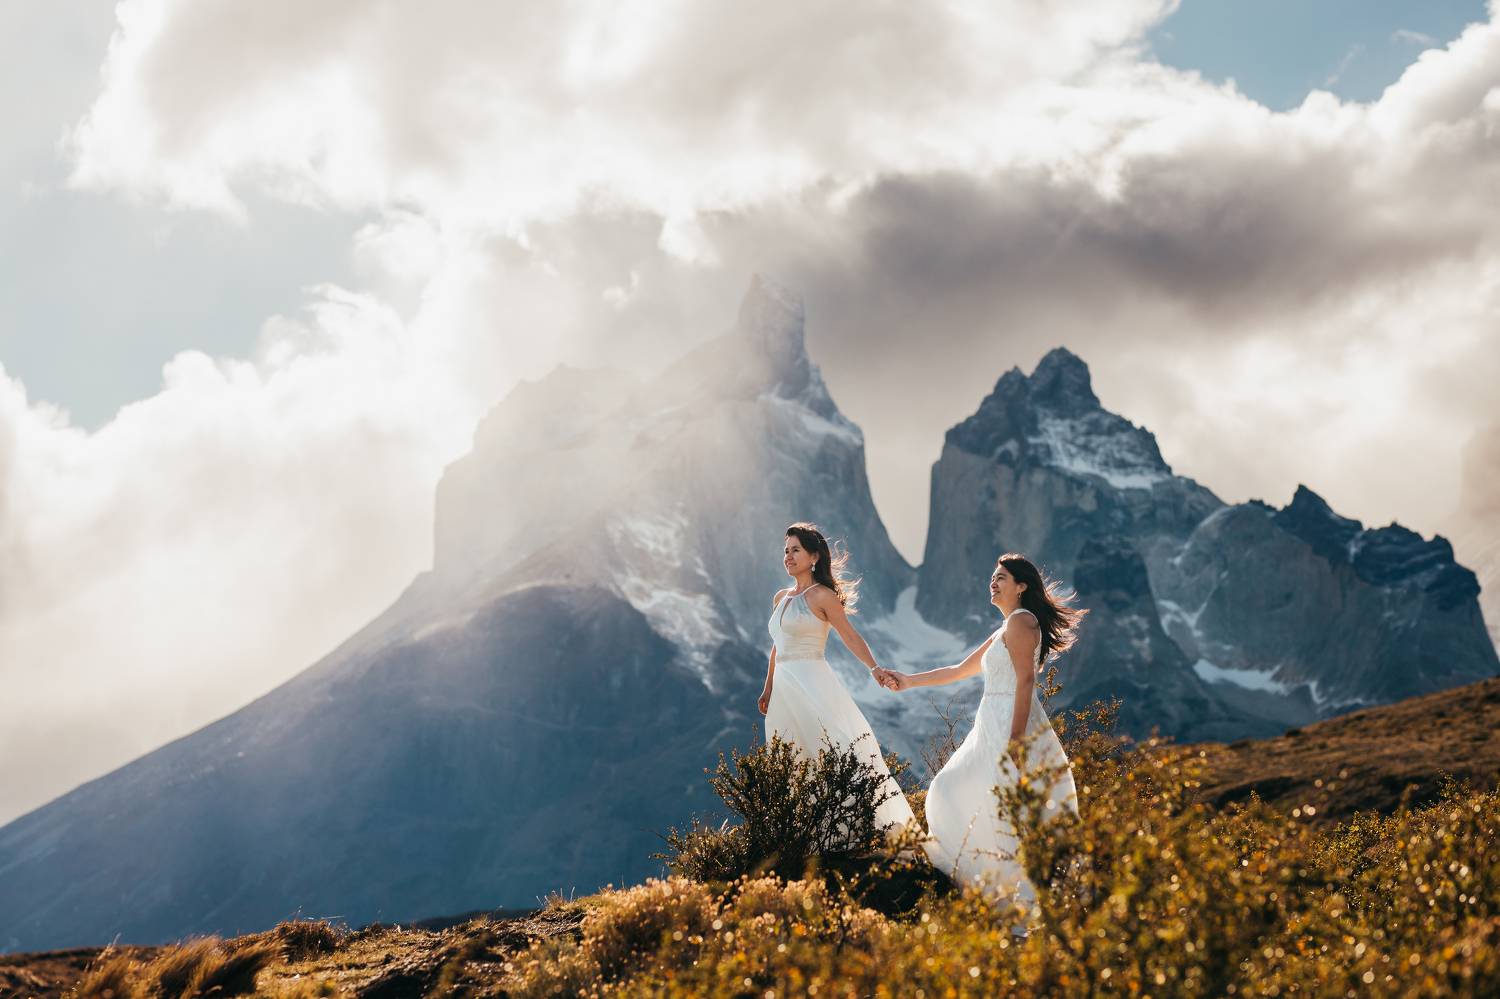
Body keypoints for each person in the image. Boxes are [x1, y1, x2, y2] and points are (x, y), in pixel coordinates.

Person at [884, 553, 1085, 901]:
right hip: (991, 723)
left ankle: (1017, 894)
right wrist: (908, 681)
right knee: (955, 791)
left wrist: (1016, 741)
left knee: (996, 803)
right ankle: (989, 883)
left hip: (1010, 723)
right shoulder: (1006, 628)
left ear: (1021, 587)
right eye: (993, 576)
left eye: (1001, 577)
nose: (993, 582)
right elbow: (958, 670)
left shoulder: (1021, 622)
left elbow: (1025, 681)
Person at [759, 522, 916, 834]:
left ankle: (856, 829)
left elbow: (850, 635)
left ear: (814, 557)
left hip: (812, 682)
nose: (788, 556)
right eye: (786, 551)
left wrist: (874, 668)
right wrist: (768, 687)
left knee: (830, 748)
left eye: (796, 550)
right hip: (784, 689)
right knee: (792, 755)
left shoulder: (822, 596)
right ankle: (808, 834)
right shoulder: (780, 597)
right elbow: (778, 646)